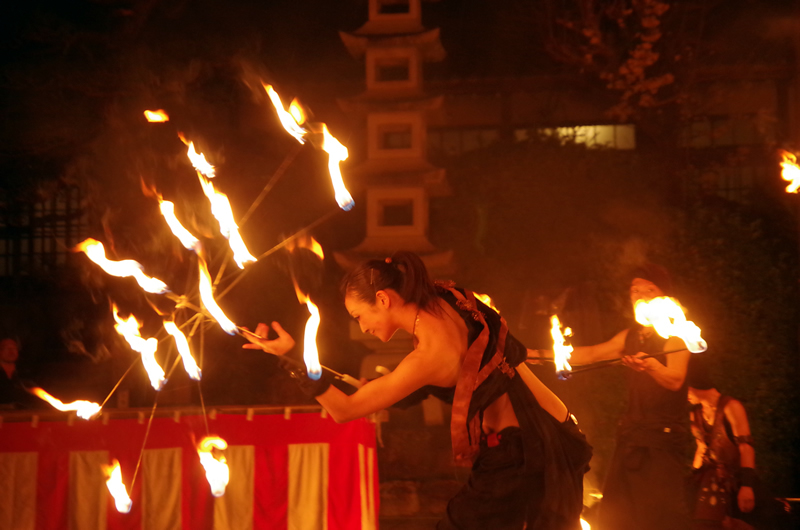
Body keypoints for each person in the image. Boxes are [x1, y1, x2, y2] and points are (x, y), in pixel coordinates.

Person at [243, 251, 593, 529]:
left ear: (382, 299)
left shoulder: (427, 355)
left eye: (358, 315)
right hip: (551, 425)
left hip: (526, 450)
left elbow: (344, 410)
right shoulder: (445, 296)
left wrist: (290, 358)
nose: (362, 327)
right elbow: (464, 374)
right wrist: (388, 390)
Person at [536, 264, 693, 530]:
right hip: (631, 438)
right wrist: (529, 355)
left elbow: (675, 379)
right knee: (616, 518)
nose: (640, 294)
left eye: (649, 289)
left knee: (660, 520)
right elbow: (592, 354)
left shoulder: (677, 335)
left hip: (663, 445)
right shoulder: (630, 336)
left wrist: (651, 366)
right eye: (635, 290)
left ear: (665, 296)